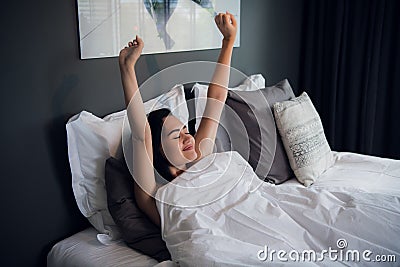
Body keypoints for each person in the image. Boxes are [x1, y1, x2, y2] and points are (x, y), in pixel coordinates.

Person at [118, 12, 237, 227]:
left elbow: (217, 98)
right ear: (158, 150)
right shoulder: (153, 194)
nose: (187, 136)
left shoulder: (200, 159)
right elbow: (140, 133)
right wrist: (127, 68)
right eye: (176, 136)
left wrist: (228, 42)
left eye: (185, 130)